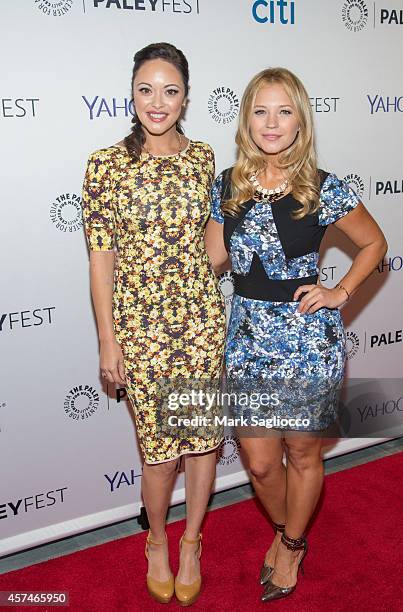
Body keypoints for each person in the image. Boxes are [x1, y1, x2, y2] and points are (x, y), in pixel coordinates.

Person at [204, 67, 387, 602]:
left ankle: (291, 541)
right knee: (261, 464)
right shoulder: (227, 187)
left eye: (284, 111)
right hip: (247, 338)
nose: (272, 122)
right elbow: (210, 261)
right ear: (246, 119)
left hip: (307, 340)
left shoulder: (324, 188)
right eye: (261, 110)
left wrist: (339, 293)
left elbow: (375, 245)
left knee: (303, 455)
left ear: (301, 120)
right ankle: (293, 527)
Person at [82, 42, 225, 606]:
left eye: (170, 90)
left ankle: (192, 541)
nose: (157, 102)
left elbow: (214, 247)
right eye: (146, 89)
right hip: (139, 330)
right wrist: (107, 341)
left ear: (186, 97)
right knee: (159, 453)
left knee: (204, 445)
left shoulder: (205, 159)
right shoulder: (105, 165)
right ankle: (158, 541)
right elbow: (101, 260)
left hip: (200, 322)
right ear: (132, 93)